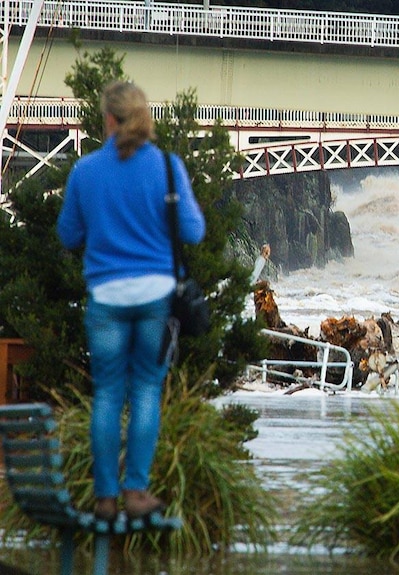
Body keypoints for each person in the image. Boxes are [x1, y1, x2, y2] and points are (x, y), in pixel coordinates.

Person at [56, 80, 206, 522]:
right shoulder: (166, 167)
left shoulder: (85, 171)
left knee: (106, 393)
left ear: (108, 119)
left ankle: (104, 497)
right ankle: (136, 492)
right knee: (144, 390)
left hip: (105, 296)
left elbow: (68, 235)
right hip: (156, 297)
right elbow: (194, 232)